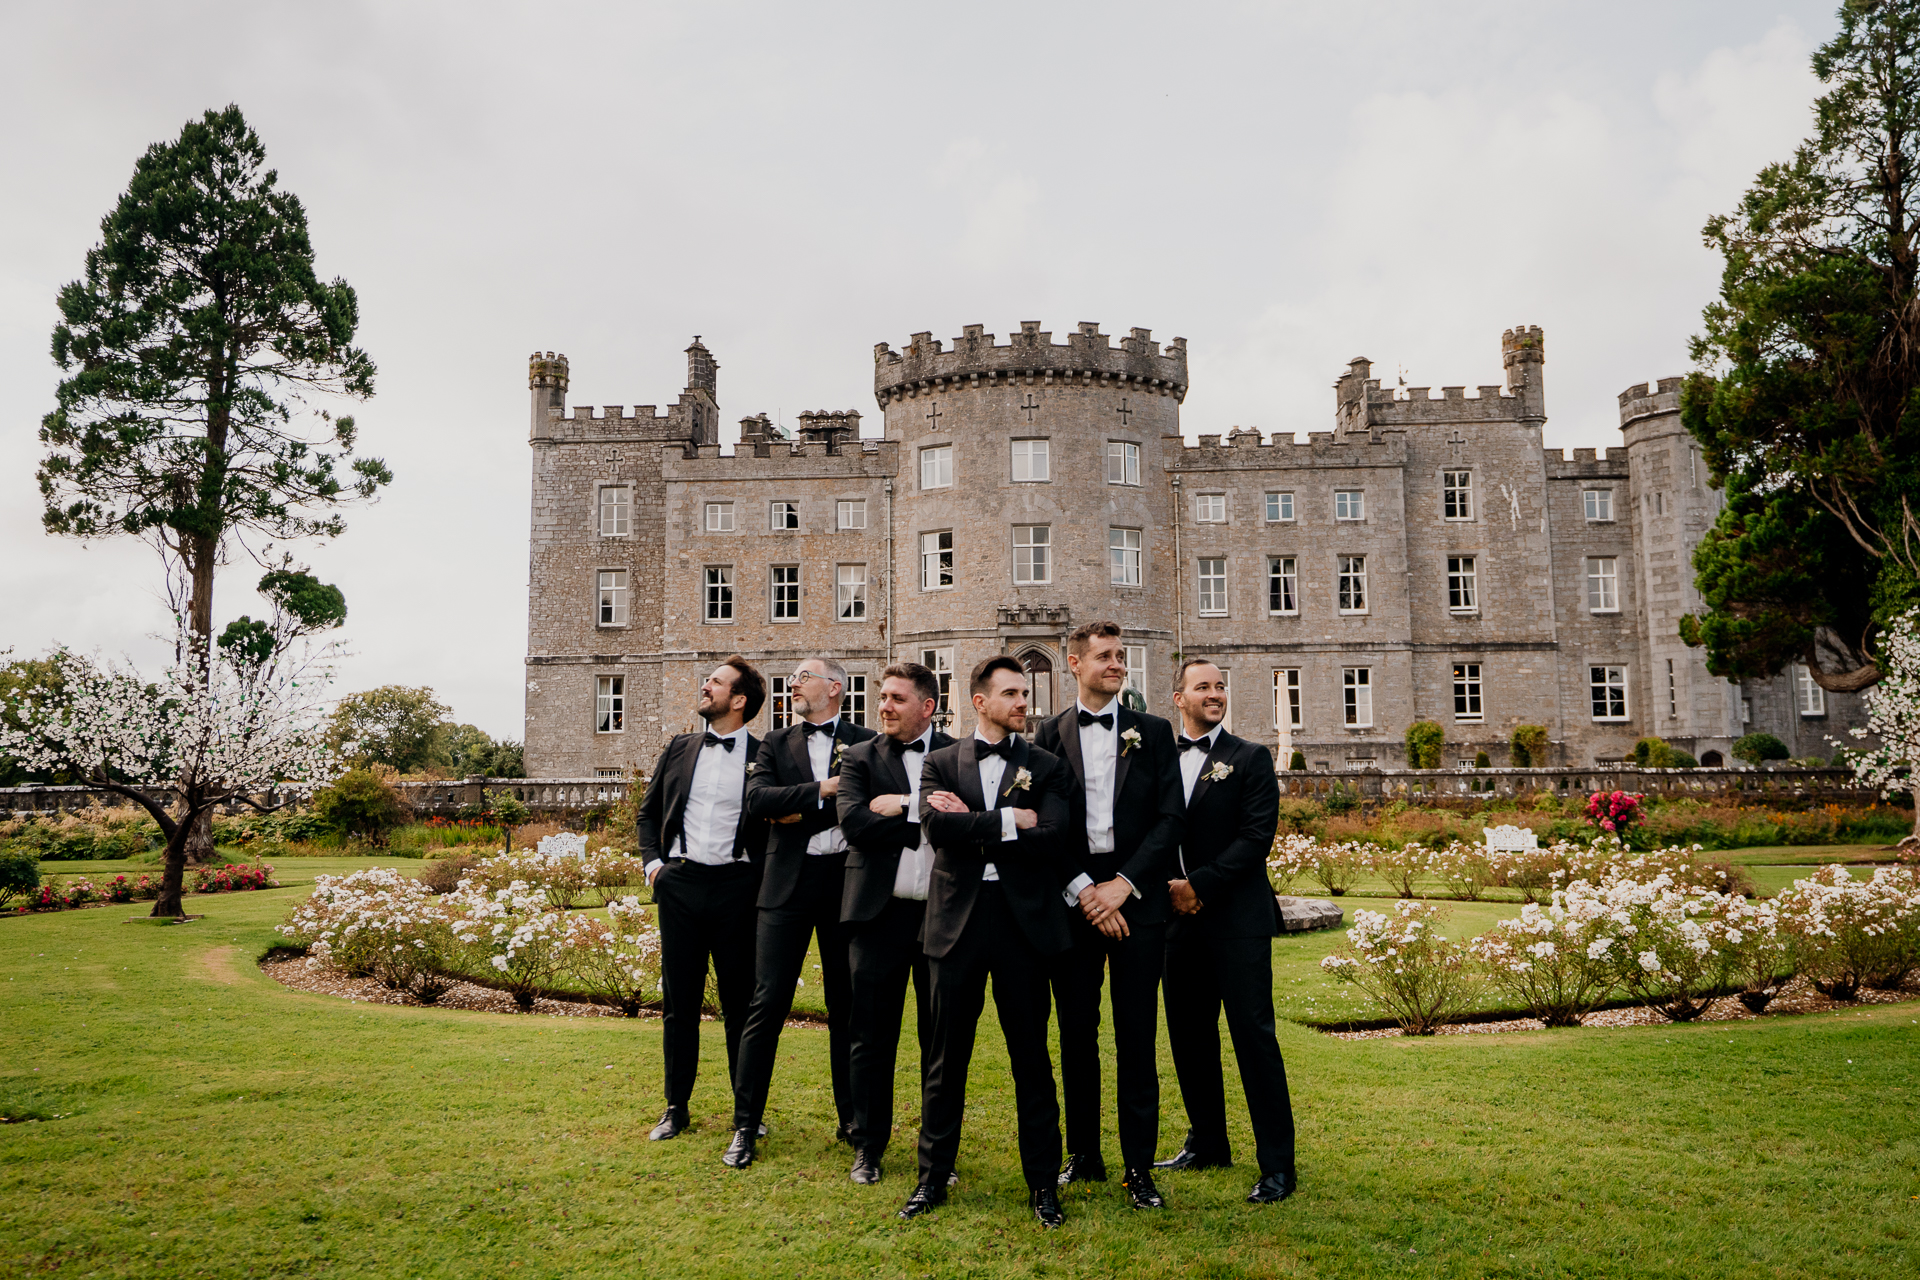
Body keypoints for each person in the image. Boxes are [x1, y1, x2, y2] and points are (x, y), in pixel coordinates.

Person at [897, 656, 1078, 1228]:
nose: (1024, 702)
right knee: (945, 1061)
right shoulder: (941, 761)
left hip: (1025, 927)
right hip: (955, 926)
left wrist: (975, 821)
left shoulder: (1046, 765)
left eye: (1025, 692)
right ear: (980, 701)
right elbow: (936, 830)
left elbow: (1052, 838)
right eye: (1012, 693)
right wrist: (1005, 820)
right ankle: (931, 1180)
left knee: (1032, 1060)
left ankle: (1044, 1186)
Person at [1032, 622, 1183, 1210]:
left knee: (1137, 1036)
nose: (1117, 664)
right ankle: (1084, 1155)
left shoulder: (1154, 731)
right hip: (1074, 907)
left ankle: (1139, 1168)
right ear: (1074, 663)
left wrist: (1122, 886)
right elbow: (1044, 825)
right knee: (1076, 1034)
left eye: (1121, 656)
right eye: (1104, 656)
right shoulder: (1046, 735)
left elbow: (1171, 820)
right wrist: (1085, 891)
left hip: (1137, 904)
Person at [723, 656, 877, 1168]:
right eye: (791, 679)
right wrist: (827, 790)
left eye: (803, 676)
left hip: (846, 885)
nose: (793, 684)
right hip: (786, 887)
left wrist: (796, 810)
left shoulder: (867, 741)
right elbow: (757, 799)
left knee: (848, 1008)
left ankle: (853, 1121)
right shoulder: (773, 742)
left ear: (835, 686)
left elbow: (871, 806)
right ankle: (746, 1125)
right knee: (765, 1006)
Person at [1154, 658, 1297, 1204]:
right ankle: (1208, 1142)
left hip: (1236, 920)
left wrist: (1200, 885)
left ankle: (1277, 1166)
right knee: (1189, 1039)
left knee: (1253, 1040)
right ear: (1178, 698)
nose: (1215, 694)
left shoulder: (1250, 758)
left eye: (1220, 686)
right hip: (1176, 924)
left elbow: (1256, 837)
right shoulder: (1161, 759)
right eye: (1203, 687)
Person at [637, 656, 769, 1143]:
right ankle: (676, 1106)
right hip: (681, 887)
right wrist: (655, 867)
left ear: (739, 701)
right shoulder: (679, 747)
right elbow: (648, 813)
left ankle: (746, 1113)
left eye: (715, 682)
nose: (705, 686)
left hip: (738, 891)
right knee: (679, 1003)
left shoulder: (764, 756)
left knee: (741, 1006)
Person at [833, 662, 955, 1185]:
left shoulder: (957, 756)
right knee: (870, 1036)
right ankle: (868, 1147)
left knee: (940, 1042)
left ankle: (938, 1158)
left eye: (896, 698)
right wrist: (927, 817)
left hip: (942, 917)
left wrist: (903, 806)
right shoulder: (859, 757)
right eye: (882, 696)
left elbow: (967, 819)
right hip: (876, 915)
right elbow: (855, 824)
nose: (883, 705)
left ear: (927, 707)